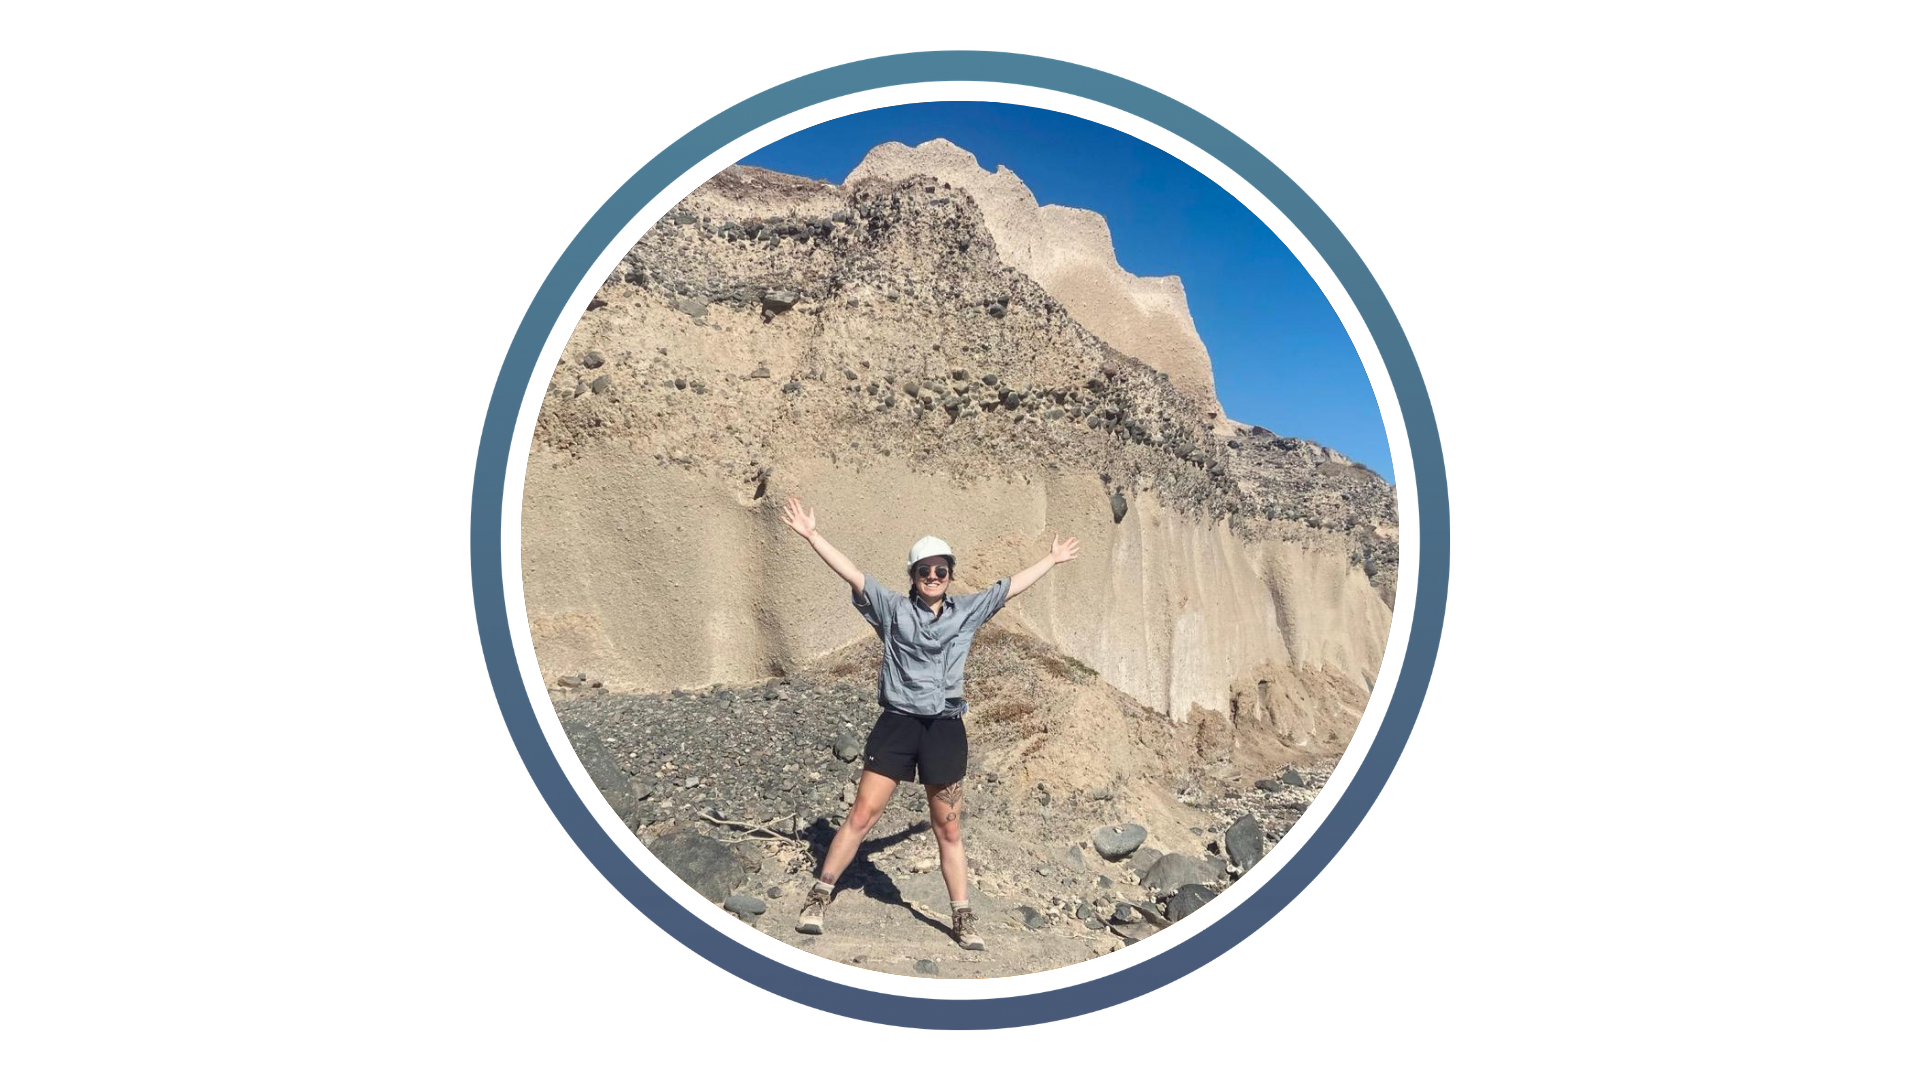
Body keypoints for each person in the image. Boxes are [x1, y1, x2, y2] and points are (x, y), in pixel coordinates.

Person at [779, 496, 1079, 951]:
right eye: (925, 571)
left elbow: (1009, 587)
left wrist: (1052, 560)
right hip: (897, 725)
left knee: (949, 828)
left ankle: (962, 917)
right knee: (862, 815)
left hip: (944, 728)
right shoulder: (891, 609)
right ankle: (820, 894)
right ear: (913, 576)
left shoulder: (967, 612)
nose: (933, 578)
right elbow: (853, 573)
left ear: (950, 575)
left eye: (941, 571)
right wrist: (812, 535)